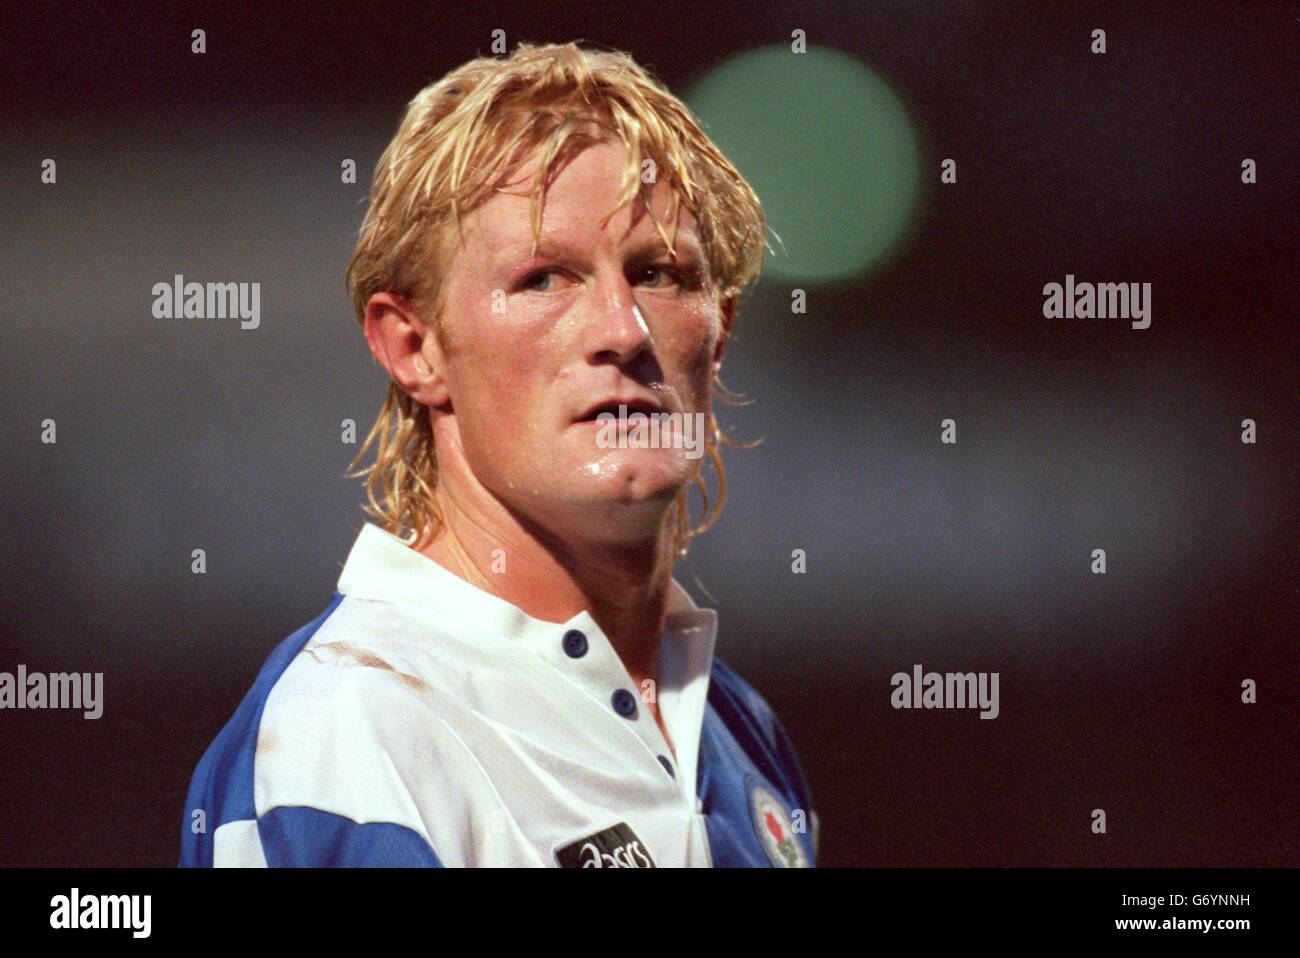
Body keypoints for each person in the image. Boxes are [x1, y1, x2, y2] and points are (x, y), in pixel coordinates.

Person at [179, 40, 817, 868]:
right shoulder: (353, 734)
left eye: (659, 274)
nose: (623, 331)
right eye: (545, 279)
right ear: (415, 347)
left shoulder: (737, 732)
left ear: (720, 326)